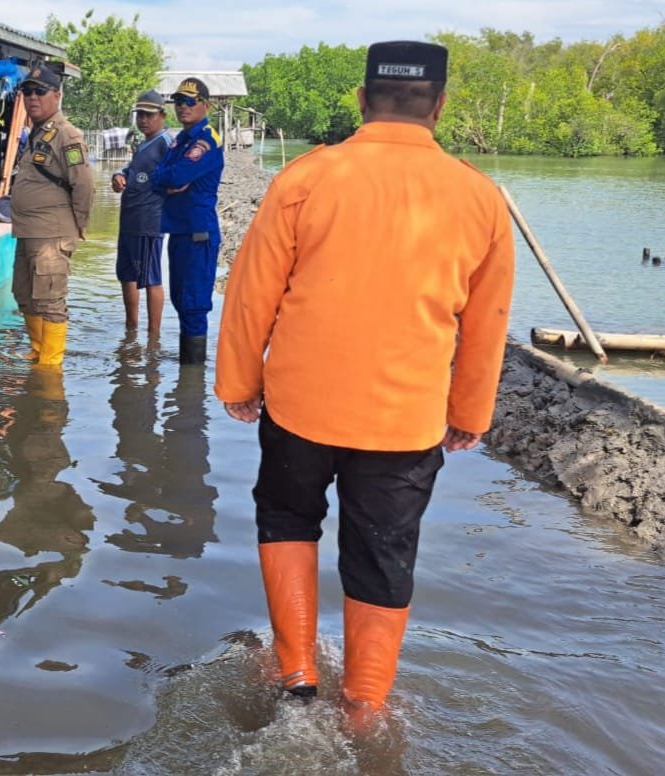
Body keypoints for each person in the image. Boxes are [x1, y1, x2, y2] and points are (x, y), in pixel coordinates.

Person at [214, 41, 515, 733]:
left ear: (360, 100)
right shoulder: (478, 195)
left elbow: (251, 293)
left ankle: (294, 673)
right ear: (438, 106)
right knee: (383, 549)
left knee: (287, 519)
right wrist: (469, 411)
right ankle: (365, 706)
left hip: (298, 406)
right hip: (405, 421)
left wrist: (237, 381)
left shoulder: (306, 177)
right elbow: (486, 323)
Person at [9, 64, 93, 367]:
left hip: (52, 233)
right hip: (28, 231)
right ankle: (37, 349)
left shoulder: (67, 135)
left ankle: (50, 366)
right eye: (27, 92)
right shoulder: (36, 133)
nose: (32, 98)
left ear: (56, 95)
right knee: (24, 293)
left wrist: (78, 226)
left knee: (50, 299)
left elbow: (83, 184)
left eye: (39, 92)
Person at [151, 77, 224, 364]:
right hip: (179, 232)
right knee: (181, 302)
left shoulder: (206, 140)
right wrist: (167, 181)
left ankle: (193, 386)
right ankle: (187, 388)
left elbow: (177, 176)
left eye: (190, 101)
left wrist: (170, 179)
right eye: (179, 101)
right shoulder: (180, 139)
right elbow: (159, 177)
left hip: (198, 234)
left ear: (205, 105)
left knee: (194, 307)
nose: (183, 107)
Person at [111, 91, 172, 336]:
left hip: (149, 222)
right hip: (129, 221)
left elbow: (176, 178)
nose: (143, 120)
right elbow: (133, 169)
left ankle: (153, 336)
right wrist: (119, 176)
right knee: (127, 275)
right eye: (140, 115)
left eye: (149, 115)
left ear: (162, 116)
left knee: (151, 279)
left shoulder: (166, 143)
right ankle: (131, 330)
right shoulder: (143, 143)